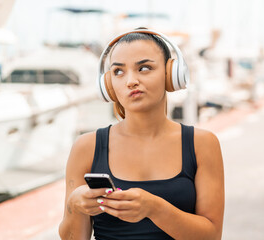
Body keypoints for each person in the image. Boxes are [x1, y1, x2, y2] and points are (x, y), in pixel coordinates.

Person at [58, 28, 224, 240]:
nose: (130, 81)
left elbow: (212, 236)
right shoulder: (86, 147)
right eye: (118, 72)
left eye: (144, 68)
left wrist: (155, 209)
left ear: (171, 73)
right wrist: (75, 205)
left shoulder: (201, 144)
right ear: (108, 84)